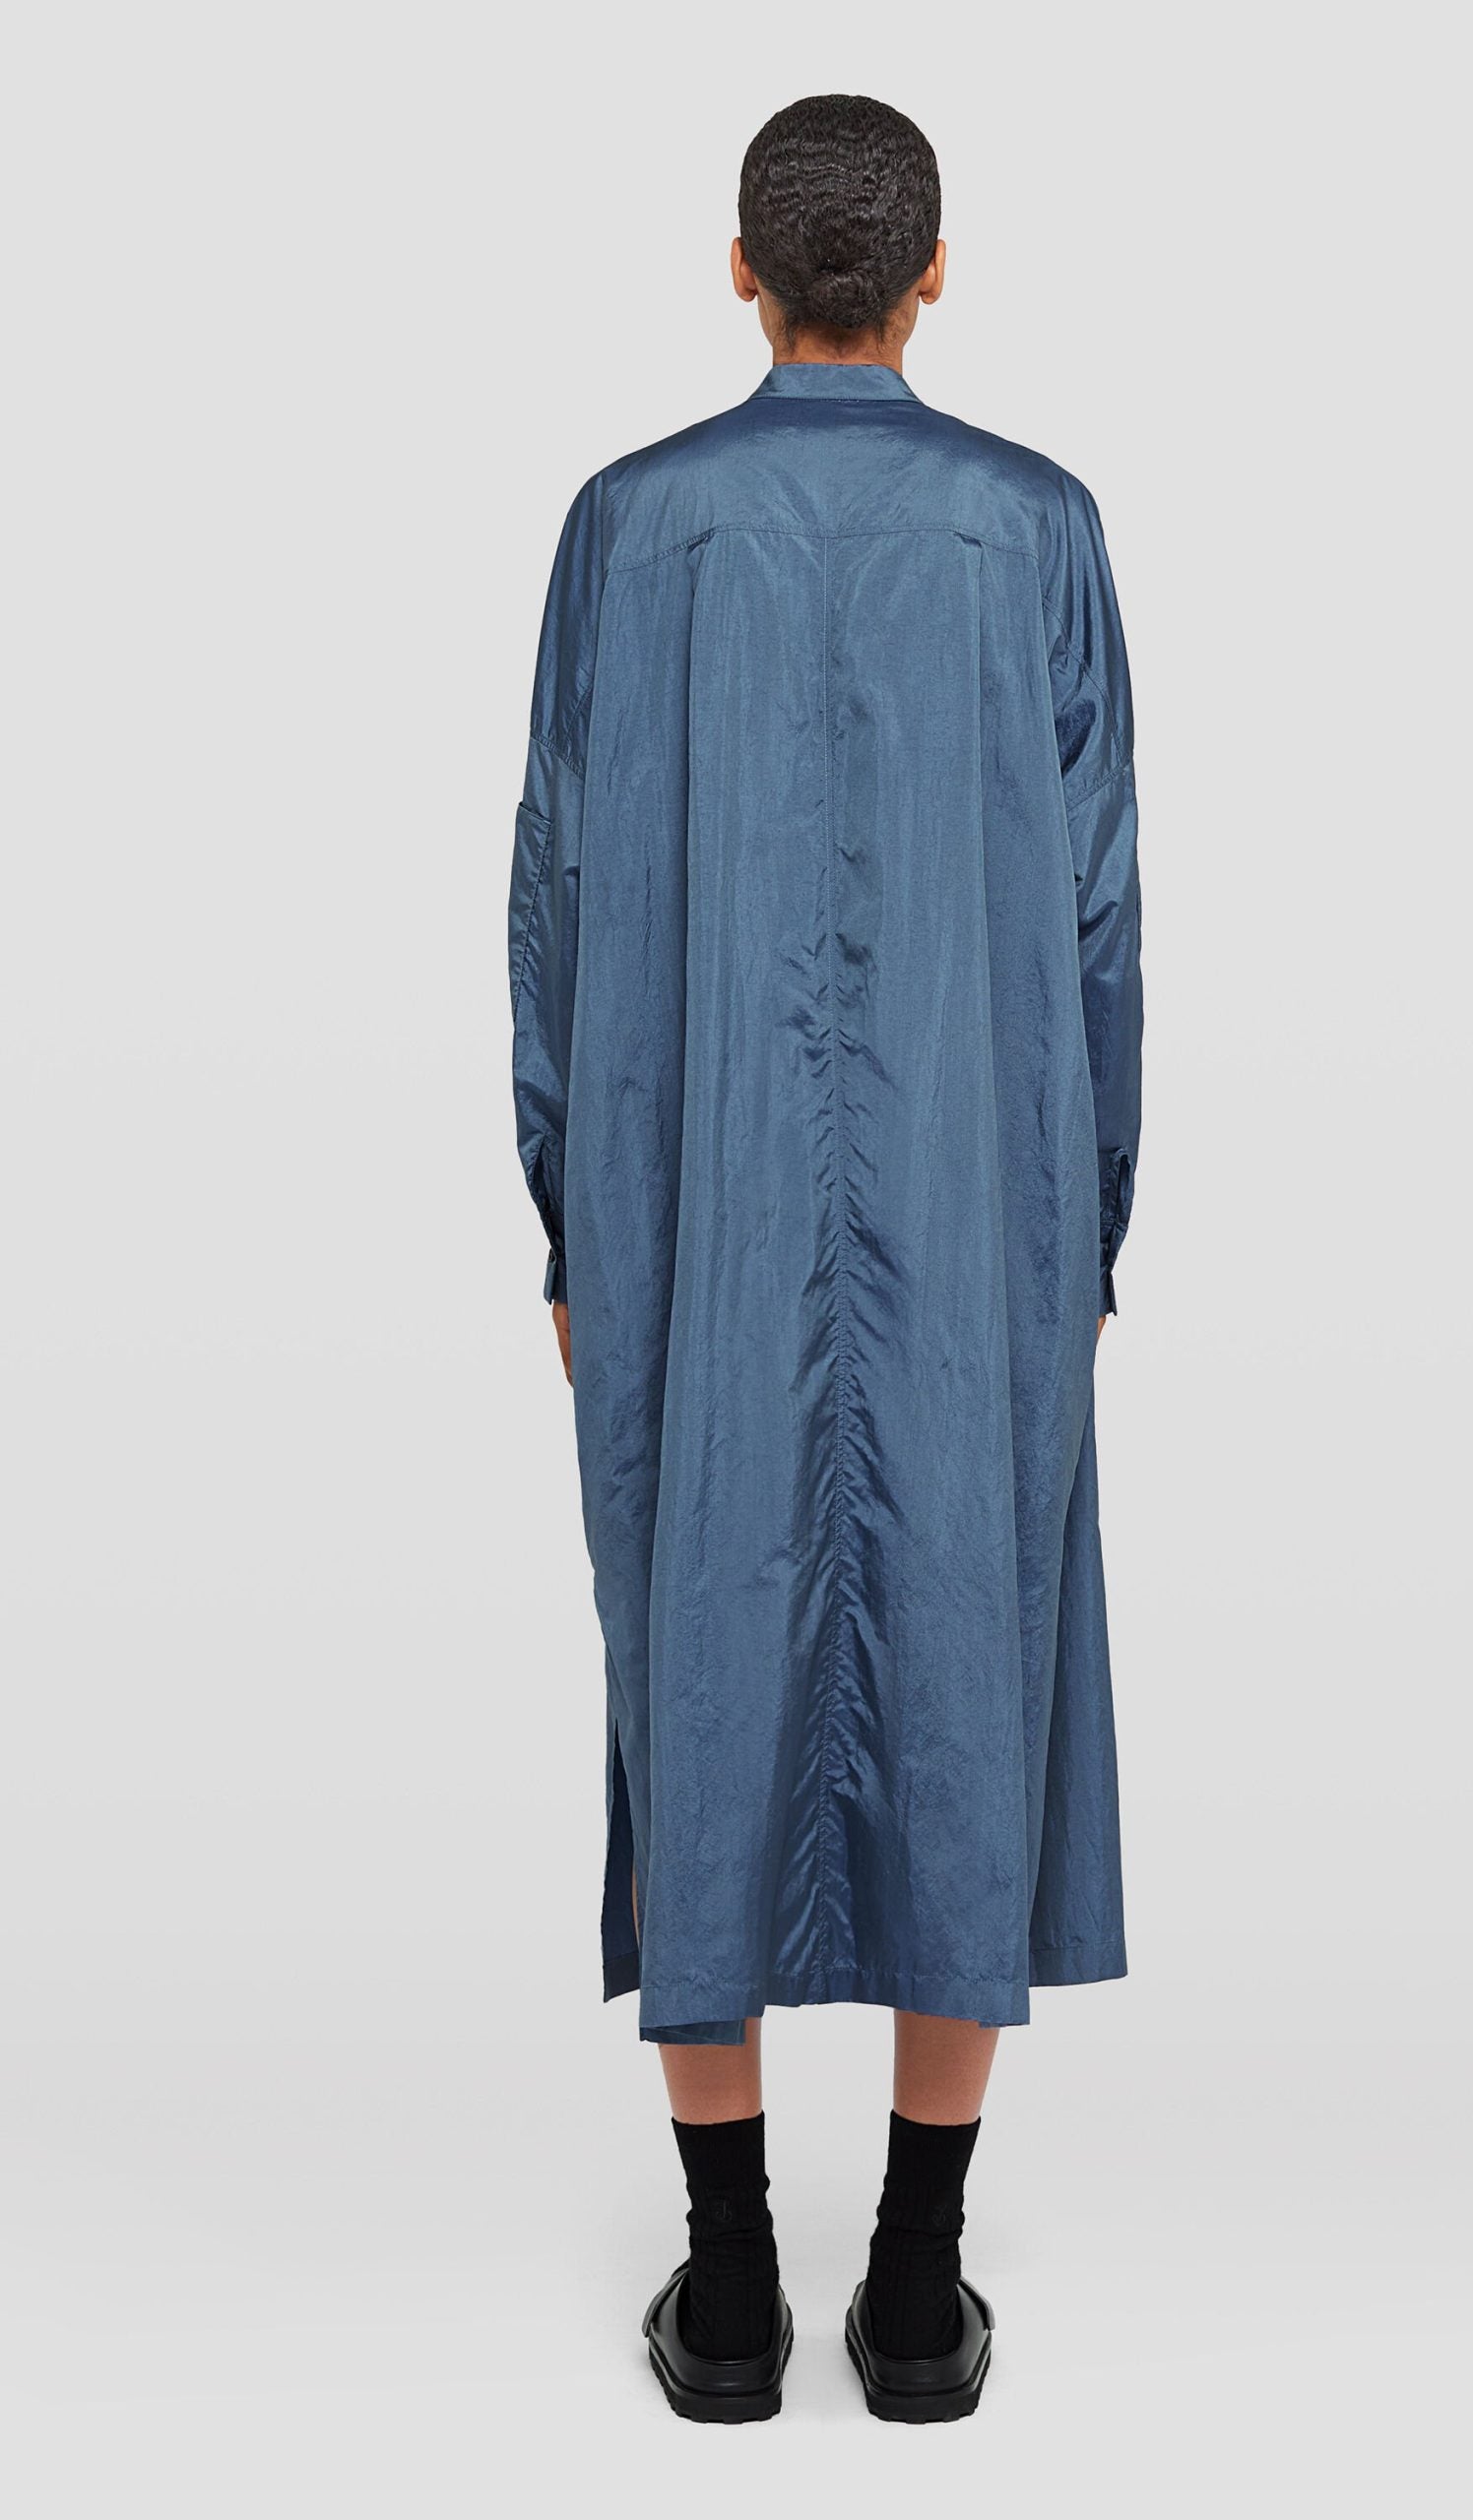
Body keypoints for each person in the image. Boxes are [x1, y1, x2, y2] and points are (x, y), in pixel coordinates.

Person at [509, 94, 1142, 2424]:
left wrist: (565, 1202)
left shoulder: (628, 527)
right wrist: (1085, 1217)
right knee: (971, 1672)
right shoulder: (1037, 529)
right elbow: (1098, 910)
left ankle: (722, 2283)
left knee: (695, 1669)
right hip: (982, 1201)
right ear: (933, 272)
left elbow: (554, 881)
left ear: (742, 269)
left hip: (689, 1191)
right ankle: (915, 2283)